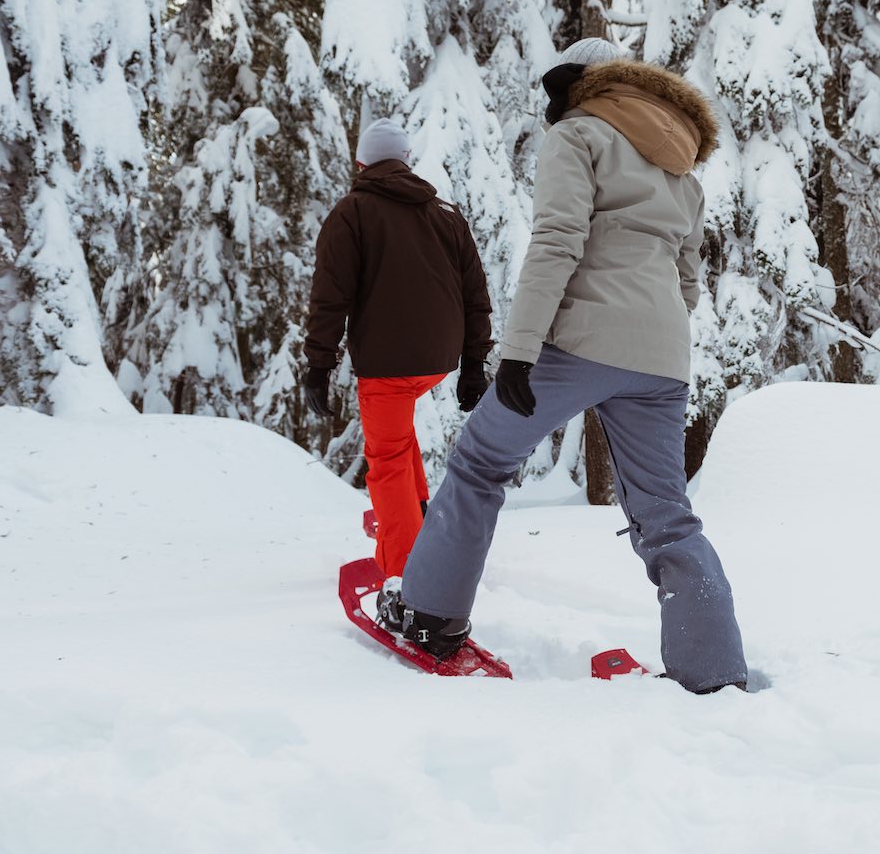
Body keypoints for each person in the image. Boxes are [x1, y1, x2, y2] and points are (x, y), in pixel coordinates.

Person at [378, 39, 749, 694]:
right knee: (666, 513)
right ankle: (713, 670)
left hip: (579, 341)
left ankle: (429, 616)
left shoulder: (579, 136)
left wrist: (519, 351)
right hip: (663, 357)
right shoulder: (681, 171)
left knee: (480, 462)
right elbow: (685, 280)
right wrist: (651, 338)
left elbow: (557, 240)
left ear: (581, 85)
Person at [304, 118, 493, 581]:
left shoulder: (352, 212)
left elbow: (331, 295)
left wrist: (318, 364)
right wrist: (473, 367)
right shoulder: (446, 214)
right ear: (407, 161)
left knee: (386, 462)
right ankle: (420, 521)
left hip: (388, 365)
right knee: (398, 439)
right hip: (438, 361)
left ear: (361, 162)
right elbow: (475, 294)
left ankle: (410, 576)